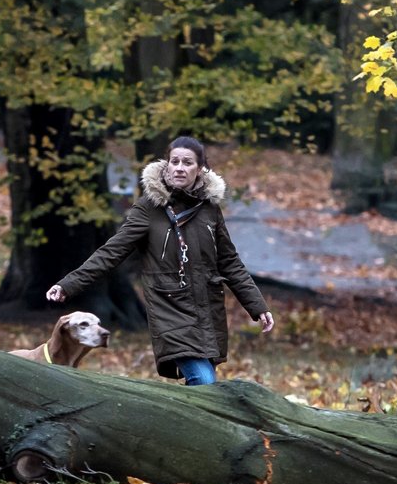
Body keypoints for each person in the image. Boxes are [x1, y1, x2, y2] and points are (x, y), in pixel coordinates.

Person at [46, 136, 275, 385]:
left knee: (203, 384)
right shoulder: (148, 208)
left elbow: (229, 261)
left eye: (187, 162)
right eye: (174, 161)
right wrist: (68, 284)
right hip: (170, 309)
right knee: (205, 382)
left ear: (199, 169)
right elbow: (110, 252)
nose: (179, 167)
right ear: (166, 165)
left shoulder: (209, 209)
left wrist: (257, 306)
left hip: (207, 308)